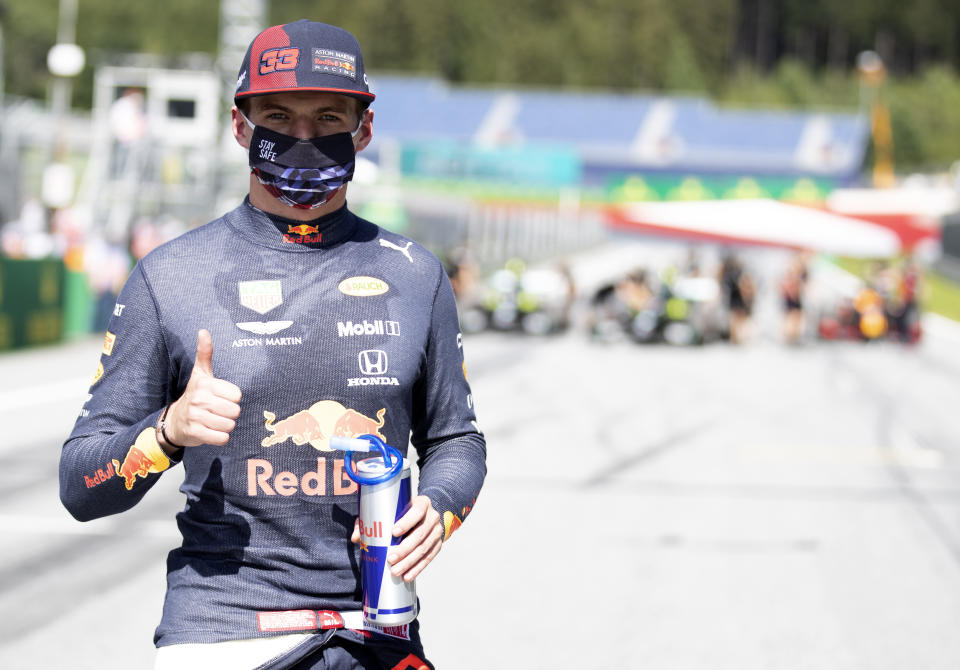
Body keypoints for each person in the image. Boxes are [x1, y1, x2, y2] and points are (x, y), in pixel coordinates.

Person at [59, 20, 486, 670]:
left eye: (329, 117)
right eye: (279, 115)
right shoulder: (170, 275)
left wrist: (441, 506)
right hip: (222, 632)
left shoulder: (414, 272)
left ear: (364, 129)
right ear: (240, 125)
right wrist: (167, 431)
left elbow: (457, 439)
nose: (304, 137)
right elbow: (80, 484)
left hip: (380, 629)